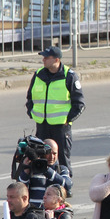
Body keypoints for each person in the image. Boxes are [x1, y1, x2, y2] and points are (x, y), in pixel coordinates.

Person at [26, 46, 84, 177]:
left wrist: (67, 120)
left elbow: (80, 104)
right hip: (42, 125)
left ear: (56, 59)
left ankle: (65, 186)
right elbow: (30, 97)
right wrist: (31, 112)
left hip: (61, 127)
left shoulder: (69, 76)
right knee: (40, 156)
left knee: (62, 158)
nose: (43, 60)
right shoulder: (38, 74)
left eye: (47, 57)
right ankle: (41, 184)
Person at [16, 138, 73, 206]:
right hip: (34, 212)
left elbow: (67, 185)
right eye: (49, 153)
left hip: (53, 212)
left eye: (54, 153)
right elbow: (19, 190)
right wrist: (26, 170)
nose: (52, 157)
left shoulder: (61, 169)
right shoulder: (32, 169)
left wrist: (45, 169)